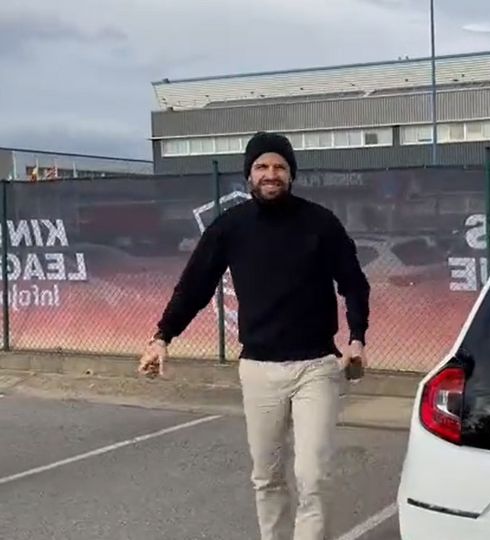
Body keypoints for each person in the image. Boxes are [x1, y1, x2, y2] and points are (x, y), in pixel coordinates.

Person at [137, 131, 371, 540]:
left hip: (316, 366)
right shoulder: (231, 228)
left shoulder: (320, 223)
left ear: (291, 174)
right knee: (267, 477)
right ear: (249, 176)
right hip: (259, 370)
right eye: (262, 166)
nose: (271, 173)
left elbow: (354, 282)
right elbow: (194, 285)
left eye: (279, 166)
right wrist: (162, 337)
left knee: (313, 475)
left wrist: (356, 338)